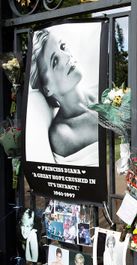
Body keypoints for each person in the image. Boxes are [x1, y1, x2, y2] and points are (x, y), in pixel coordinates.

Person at [30, 29, 98, 166]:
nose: (67, 56)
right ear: (47, 88)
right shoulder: (62, 133)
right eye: (55, 61)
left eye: (63, 47)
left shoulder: (103, 94)